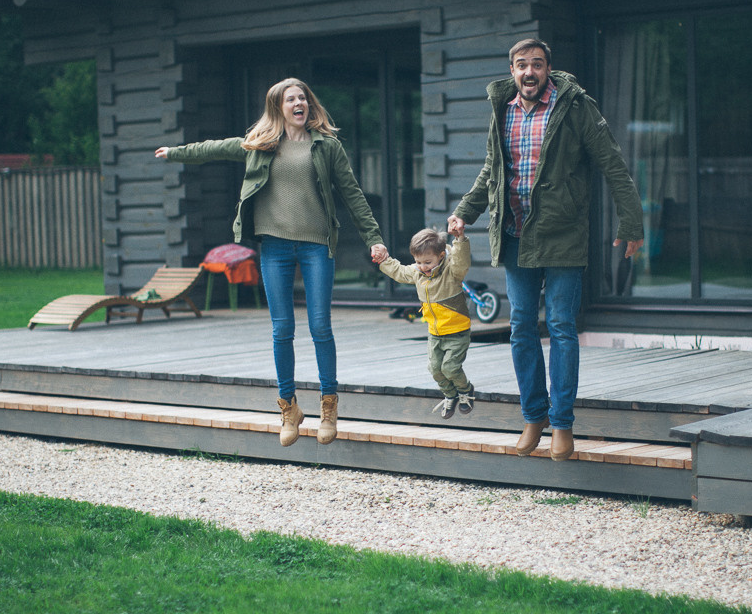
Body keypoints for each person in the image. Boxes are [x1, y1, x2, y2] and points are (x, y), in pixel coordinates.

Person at [155, 78, 388, 448]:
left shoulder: (327, 147)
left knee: (320, 327)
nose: (299, 103)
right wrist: (177, 152)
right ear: (278, 107)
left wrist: (374, 237)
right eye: (290, 99)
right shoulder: (260, 145)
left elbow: (353, 194)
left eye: (303, 98)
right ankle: (289, 408)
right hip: (275, 248)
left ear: (309, 105)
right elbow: (214, 148)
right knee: (282, 330)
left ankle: (329, 406)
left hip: (315, 247)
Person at [447, 39, 644, 461]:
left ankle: (562, 424)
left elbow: (612, 162)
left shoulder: (575, 106)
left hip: (563, 234)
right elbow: (492, 170)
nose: (529, 71)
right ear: (513, 71)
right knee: (520, 326)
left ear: (548, 69)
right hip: (516, 233)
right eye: (522, 65)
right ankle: (533, 417)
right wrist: (466, 211)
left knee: (559, 325)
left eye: (537, 64)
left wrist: (631, 222)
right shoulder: (503, 109)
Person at [377, 228, 475, 419]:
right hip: (435, 332)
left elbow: (461, 262)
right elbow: (399, 271)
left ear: (440, 256)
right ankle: (450, 395)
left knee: (450, 368)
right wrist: (384, 260)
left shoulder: (451, 271)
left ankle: (466, 390)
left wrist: (460, 239)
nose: (423, 266)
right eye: (419, 262)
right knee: (435, 368)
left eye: (428, 262)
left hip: (457, 330)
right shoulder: (418, 272)